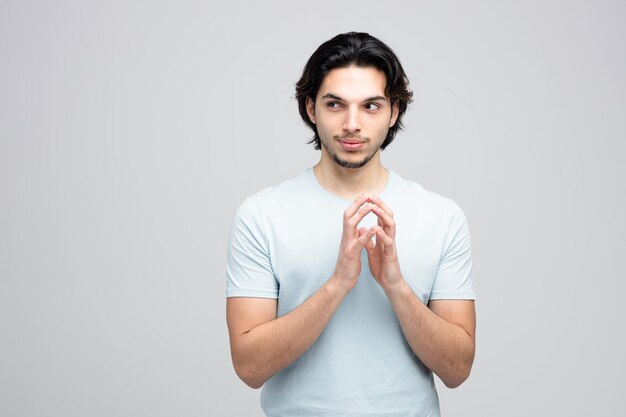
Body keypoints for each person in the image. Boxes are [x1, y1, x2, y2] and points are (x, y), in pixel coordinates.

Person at [225, 32, 476, 417]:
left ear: (394, 112)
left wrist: (395, 285)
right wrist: (338, 282)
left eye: (371, 106)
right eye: (335, 104)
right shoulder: (262, 214)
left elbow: (457, 370)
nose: (352, 124)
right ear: (311, 108)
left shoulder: (442, 216)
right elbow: (249, 366)